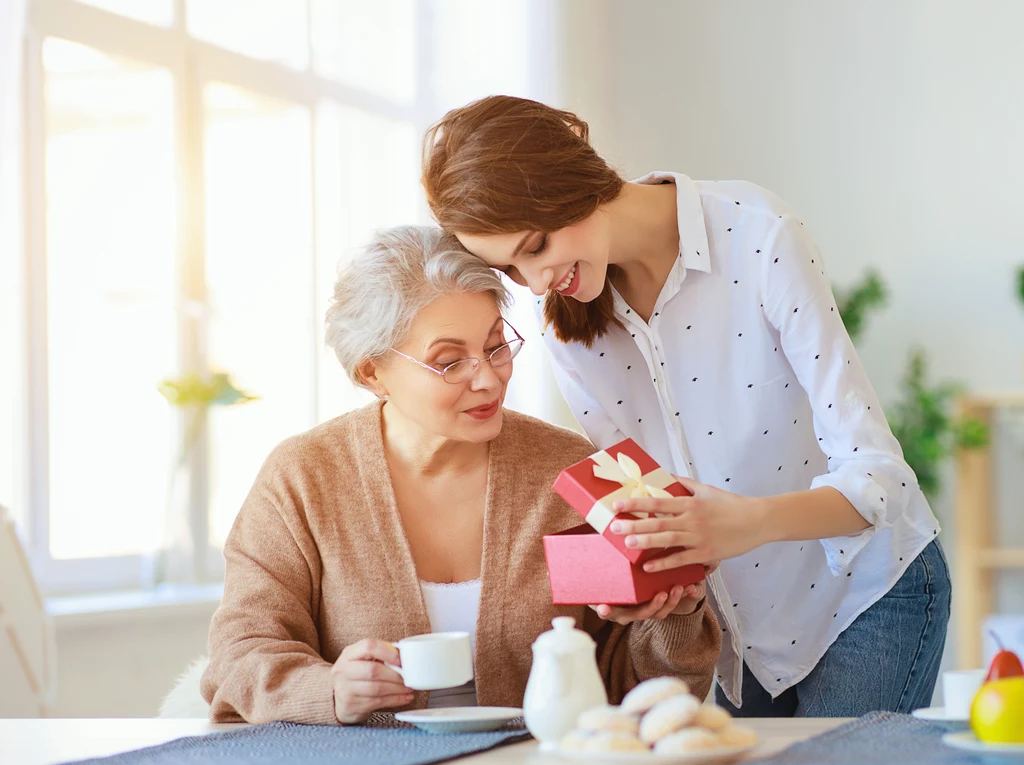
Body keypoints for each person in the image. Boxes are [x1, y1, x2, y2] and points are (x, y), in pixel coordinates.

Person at [420, 95, 951, 718]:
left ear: (574, 181)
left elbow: (880, 477)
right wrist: (652, 578)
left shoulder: (757, 235)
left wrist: (743, 523)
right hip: (741, 635)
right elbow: (651, 502)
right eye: (511, 269)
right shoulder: (569, 330)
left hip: (865, 595)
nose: (536, 282)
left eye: (535, 246)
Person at [200, 226, 721, 725]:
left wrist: (676, 611)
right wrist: (328, 689)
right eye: (450, 362)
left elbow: (636, 691)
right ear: (372, 372)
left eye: (496, 346)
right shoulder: (303, 478)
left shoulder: (571, 471)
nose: (489, 378)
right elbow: (239, 655)